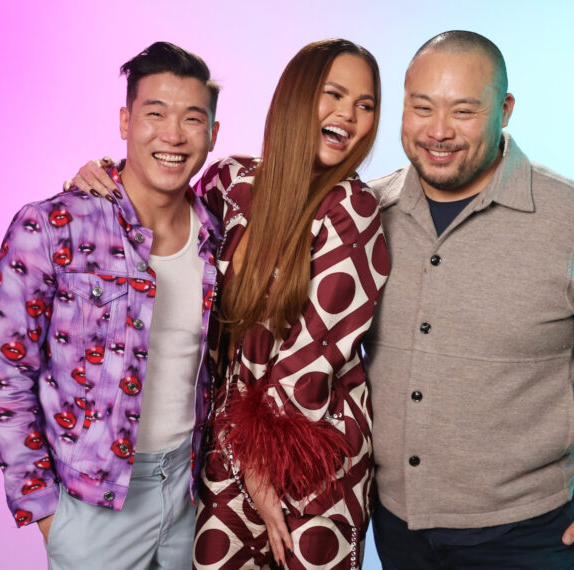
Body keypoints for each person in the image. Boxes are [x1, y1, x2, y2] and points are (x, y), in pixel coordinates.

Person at [73, 38, 389, 570]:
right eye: (333, 94)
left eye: (366, 105)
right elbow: (160, 204)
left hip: (309, 452)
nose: (349, 115)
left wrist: (266, 467)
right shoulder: (231, 182)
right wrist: (101, 178)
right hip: (226, 443)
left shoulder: (352, 210)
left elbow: (311, 362)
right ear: (295, 96)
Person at [364, 31, 574, 569]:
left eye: (464, 111)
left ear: (505, 110)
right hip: (395, 525)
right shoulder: (366, 214)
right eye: (421, 108)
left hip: (526, 535)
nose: (438, 131)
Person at [0, 41, 221, 569]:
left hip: (190, 493)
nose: (173, 135)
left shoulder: (220, 232)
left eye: (192, 118)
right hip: (93, 506)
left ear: (213, 134)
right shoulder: (53, 225)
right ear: (126, 121)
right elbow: (0, 374)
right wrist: (45, 512)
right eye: (156, 113)